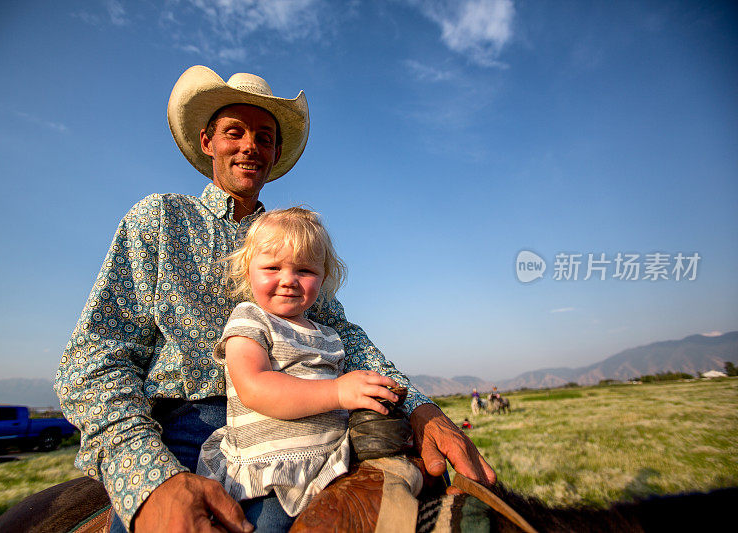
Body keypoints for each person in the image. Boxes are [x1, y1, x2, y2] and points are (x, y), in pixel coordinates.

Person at [55, 65, 496, 533]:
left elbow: (343, 335)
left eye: (264, 137)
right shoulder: (159, 220)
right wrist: (148, 479)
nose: (250, 145)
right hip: (186, 426)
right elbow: (91, 361)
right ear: (208, 142)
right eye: (234, 132)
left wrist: (421, 407)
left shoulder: (292, 239)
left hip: (317, 416)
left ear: (275, 152)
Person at [196, 207, 400, 519]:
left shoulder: (329, 336)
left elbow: (346, 391)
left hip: (334, 464)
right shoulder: (251, 320)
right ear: (247, 271)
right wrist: (337, 393)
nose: (289, 280)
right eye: (272, 268)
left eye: (304, 271)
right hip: (273, 476)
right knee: (269, 525)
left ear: (323, 277)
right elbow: (253, 386)